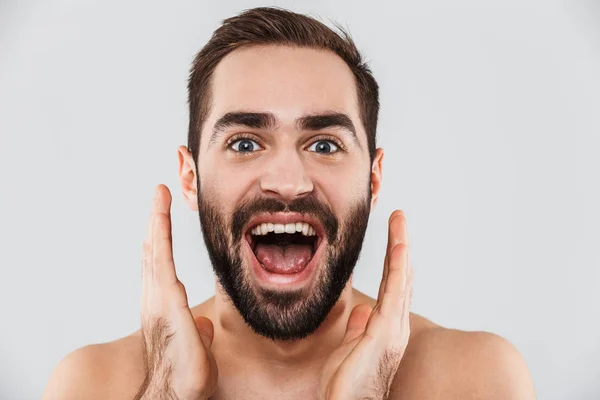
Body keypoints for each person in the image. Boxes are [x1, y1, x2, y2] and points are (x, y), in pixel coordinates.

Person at [43, 7, 536, 399]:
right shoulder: (91, 386)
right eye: (244, 142)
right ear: (190, 179)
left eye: (324, 144)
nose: (287, 182)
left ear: (373, 177)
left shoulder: (477, 381)